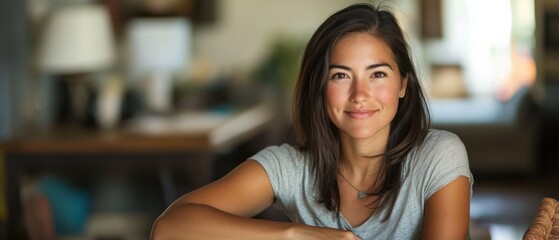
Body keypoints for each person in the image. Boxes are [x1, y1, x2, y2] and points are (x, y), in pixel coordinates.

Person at [151, 3, 473, 240]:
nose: (360, 94)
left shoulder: (438, 155)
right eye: (341, 75)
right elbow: (169, 227)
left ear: (403, 84)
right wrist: (293, 234)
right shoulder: (292, 168)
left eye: (377, 74)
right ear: (320, 88)